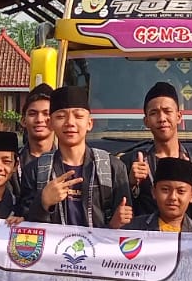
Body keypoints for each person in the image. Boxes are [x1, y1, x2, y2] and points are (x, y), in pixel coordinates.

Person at [17, 86, 133, 229]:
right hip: (53, 251)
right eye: (61, 116)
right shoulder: (35, 169)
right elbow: (24, 225)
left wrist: (115, 225)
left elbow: (128, 229)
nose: (70, 123)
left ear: (89, 123)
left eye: (78, 116)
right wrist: (43, 203)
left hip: (100, 250)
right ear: (51, 123)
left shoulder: (112, 167)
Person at [122, 81, 192, 223]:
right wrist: (130, 184)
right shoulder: (130, 162)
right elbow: (118, 213)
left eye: (167, 111)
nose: (162, 119)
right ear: (146, 121)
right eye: (154, 113)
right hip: (146, 240)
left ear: (178, 117)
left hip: (189, 242)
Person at [127, 157, 192, 234]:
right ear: (154, 192)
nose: (173, 197)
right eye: (165, 190)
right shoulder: (133, 230)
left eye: (181, 191)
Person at [18, 87, 55, 170]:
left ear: (56, 119)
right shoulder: (12, 162)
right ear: (23, 120)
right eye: (32, 114)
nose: (39, 120)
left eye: (46, 114)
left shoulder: (66, 161)